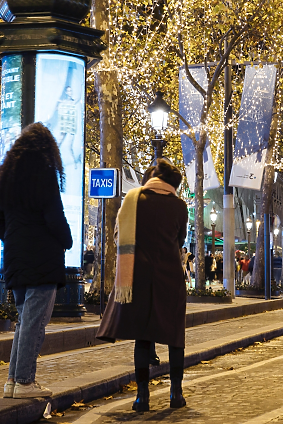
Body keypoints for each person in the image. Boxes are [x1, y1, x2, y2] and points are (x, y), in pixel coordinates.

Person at [0, 123, 73, 399]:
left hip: (16, 258)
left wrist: (12, 237)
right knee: (34, 322)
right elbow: (54, 217)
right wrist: (66, 241)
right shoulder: (44, 175)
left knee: (25, 320)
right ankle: (24, 381)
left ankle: (13, 381)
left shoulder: (6, 177)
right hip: (43, 258)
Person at [97, 158, 189, 411]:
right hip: (170, 277)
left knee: (143, 337)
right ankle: (175, 394)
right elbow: (179, 239)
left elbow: (119, 234)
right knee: (175, 337)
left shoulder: (134, 199)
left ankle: (142, 397)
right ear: (173, 184)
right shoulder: (180, 207)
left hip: (138, 276)